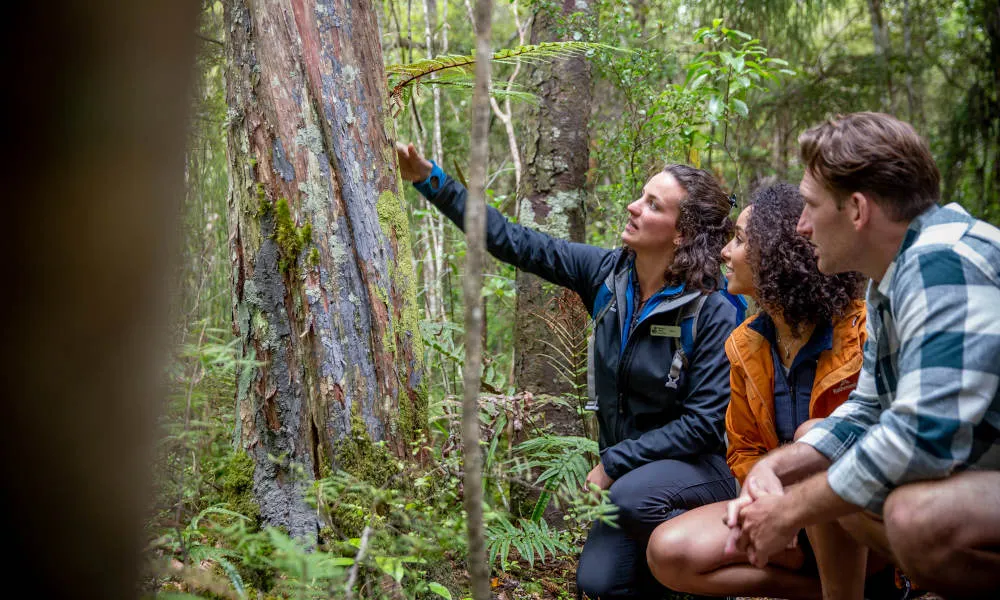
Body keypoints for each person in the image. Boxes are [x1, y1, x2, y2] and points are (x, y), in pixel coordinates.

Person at [396, 142, 741, 599]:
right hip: (632, 480)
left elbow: (703, 425)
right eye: (641, 196)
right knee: (597, 583)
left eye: (653, 205)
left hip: (700, 473)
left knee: (635, 503)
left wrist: (612, 464)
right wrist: (430, 179)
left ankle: (701, 563)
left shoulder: (713, 309)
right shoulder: (608, 277)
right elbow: (513, 241)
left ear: (682, 234)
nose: (633, 207)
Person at [725, 112, 1000, 599]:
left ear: (856, 210)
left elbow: (922, 437)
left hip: (971, 478)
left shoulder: (941, 262)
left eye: (811, 206)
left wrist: (789, 509)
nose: (801, 227)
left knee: (915, 518)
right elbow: (868, 410)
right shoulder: (890, 279)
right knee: (822, 457)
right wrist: (775, 468)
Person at [645, 183, 867, 599]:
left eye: (740, 240)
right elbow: (743, 449)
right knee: (668, 552)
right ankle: (821, 589)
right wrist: (772, 507)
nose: (725, 252)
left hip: (856, 515)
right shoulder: (746, 343)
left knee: (815, 436)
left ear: (778, 254)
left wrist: (796, 505)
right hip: (783, 514)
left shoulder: (859, 332)